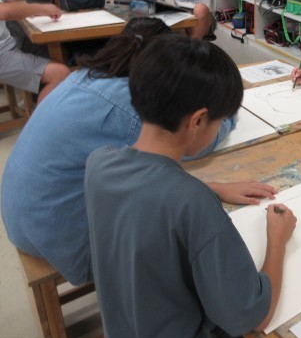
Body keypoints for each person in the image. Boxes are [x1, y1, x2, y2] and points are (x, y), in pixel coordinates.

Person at [1, 17, 270, 286]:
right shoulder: (129, 103)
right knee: (188, 241)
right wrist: (225, 111)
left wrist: (211, 189)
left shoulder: (88, 74)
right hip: (59, 237)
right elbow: (191, 143)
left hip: (23, 213)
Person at [85, 36, 297, 338]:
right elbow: (253, 317)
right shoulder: (193, 204)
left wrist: (210, 187)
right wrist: (277, 239)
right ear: (198, 121)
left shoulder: (99, 164)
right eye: (221, 120)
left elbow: (152, 192)